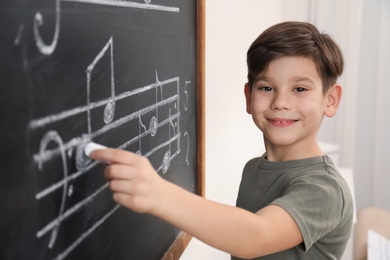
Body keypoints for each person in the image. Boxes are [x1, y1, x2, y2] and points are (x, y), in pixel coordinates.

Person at [90, 21, 353, 259]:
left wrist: (160, 194)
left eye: (300, 89)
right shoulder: (253, 168)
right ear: (249, 97)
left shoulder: (325, 188)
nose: (281, 102)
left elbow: (254, 237)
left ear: (330, 100)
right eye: (267, 87)